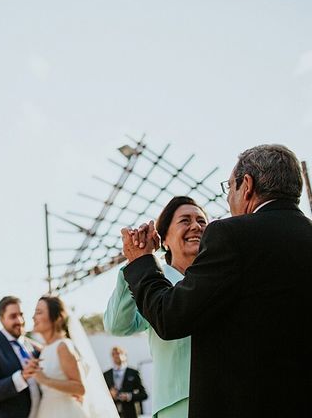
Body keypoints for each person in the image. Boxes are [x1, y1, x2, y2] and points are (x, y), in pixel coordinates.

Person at [122, 144, 312, 418]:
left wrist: (141, 261)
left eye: (229, 188)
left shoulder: (230, 235)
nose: (228, 200)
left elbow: (170, 316)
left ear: (246, 185)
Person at [105, 196, 207, 418]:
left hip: (223, 398)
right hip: (176, 403)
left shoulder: (218, 276)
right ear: (165, 239)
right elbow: (117, 326)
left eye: (201, 221)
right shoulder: (154, 283)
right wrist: (135, 264)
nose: (196, 226)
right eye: (185, 220)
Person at [29, 294, 119, 418]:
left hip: (64, 412)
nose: (33, 317)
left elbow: (80, 388)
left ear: (57, 318)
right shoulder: (45, 349)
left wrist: (45, 380)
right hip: (46, 411)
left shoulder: (63, 346)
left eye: (39, 312)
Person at [102, 347, 148, 418]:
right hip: (112, 413)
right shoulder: (106, 374)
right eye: (113, 354)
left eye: (118, 353)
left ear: (125, 355)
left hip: (130, 413)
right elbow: (101, 394)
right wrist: (109, 394)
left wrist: (129, 396)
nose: (116, 356)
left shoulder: (134, 373)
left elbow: (144, 394)